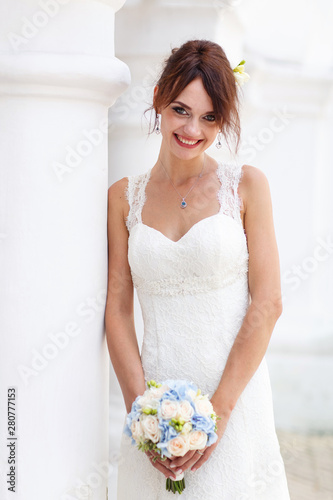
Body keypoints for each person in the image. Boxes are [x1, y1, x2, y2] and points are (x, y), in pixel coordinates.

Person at [105, 39, 290, 499]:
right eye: (181, 110)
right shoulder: (123, 198)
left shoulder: (247, 186)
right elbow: (117, 309)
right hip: (157, 407)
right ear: (158, 102)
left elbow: (267, 304)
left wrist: (218, 414)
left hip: (234, 399)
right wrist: (142, 414)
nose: (192, 129)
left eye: (209, 117)